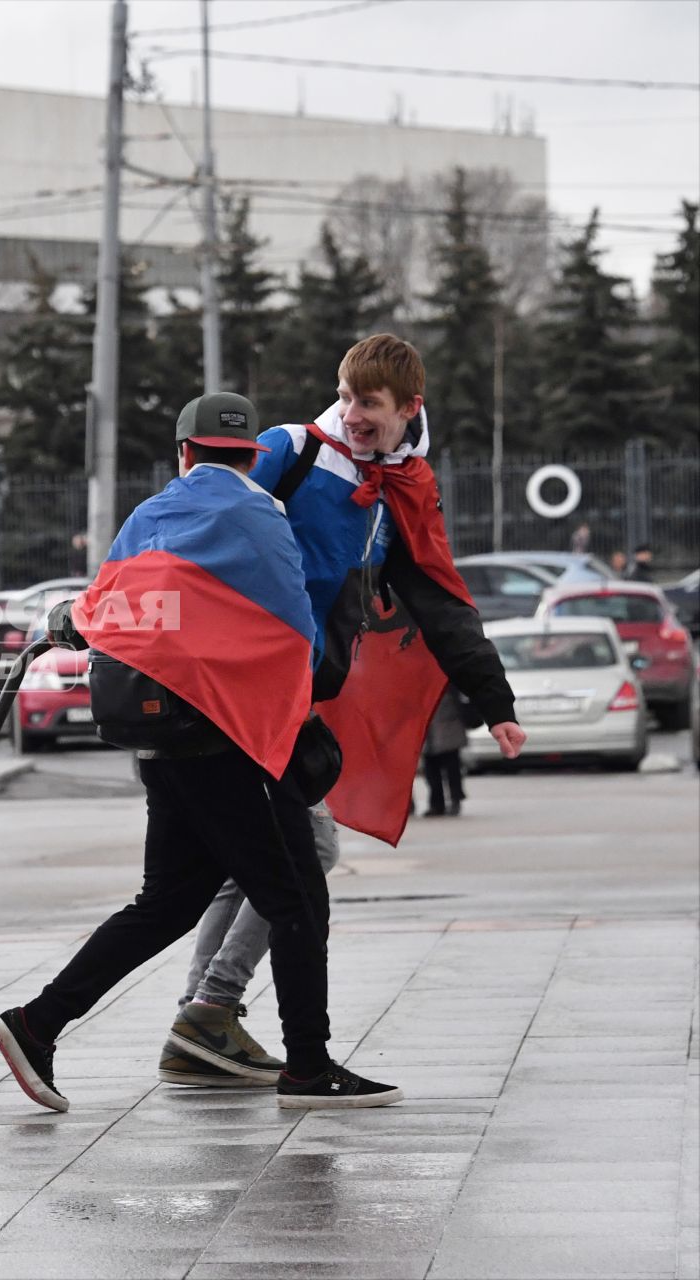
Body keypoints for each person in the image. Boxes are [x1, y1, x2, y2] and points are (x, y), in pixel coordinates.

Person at [0, 392, 403, 1113]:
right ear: (252, 458)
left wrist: (71, 620)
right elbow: (295, 633)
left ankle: (37, 1023)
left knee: (167, 902)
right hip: (227, 741)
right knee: (297, 896)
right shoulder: (260, 516)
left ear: (184, 454)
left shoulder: (149, 516)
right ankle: (309, 1067)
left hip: (159, 738)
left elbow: (107, 608)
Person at [162, 335, 525, 1088]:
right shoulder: (291, 450)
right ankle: (206, 1010)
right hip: (237, 688)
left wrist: (494, 701)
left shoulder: (401, 492)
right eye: (347, 397)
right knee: (304, 853)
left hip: (287, 694)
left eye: (372, 404)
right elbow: (189, 512)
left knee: (245, 863)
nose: (355, 415)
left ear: (409, 409)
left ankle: (200, 1021)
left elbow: (441, 598)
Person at [421, 691, 468, 817]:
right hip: (428, 730)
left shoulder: (450, 680)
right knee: (431, 771)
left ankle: (455, 800)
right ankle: (436, 804)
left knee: (452, 769)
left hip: (449, 727)